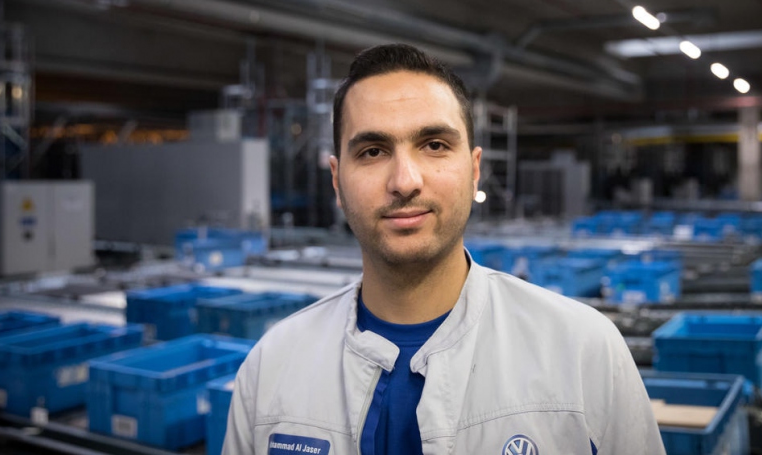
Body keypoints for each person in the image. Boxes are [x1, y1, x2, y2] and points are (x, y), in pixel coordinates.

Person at [223, 44, 665, 455]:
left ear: (474, 171)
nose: (405, 181)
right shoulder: (272, 368)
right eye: (373, 151)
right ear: (337, 181)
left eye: (434, 145)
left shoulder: (583, 350)